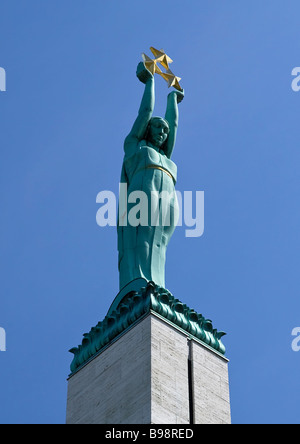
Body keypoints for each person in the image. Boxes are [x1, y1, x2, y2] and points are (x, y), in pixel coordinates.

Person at [117, 61, 184, 291]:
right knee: (142, 240)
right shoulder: (135, 147)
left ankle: (158, 284)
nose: (163, 133)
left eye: (165, 131)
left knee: (160, 244)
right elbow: (145, 112)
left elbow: (173, 123)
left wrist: (173, 100)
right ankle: (138, 284)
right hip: (143, 194)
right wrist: (150, 82)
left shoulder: (165, 156)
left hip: (168, 199)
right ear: (148, 129)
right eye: (158, 128)